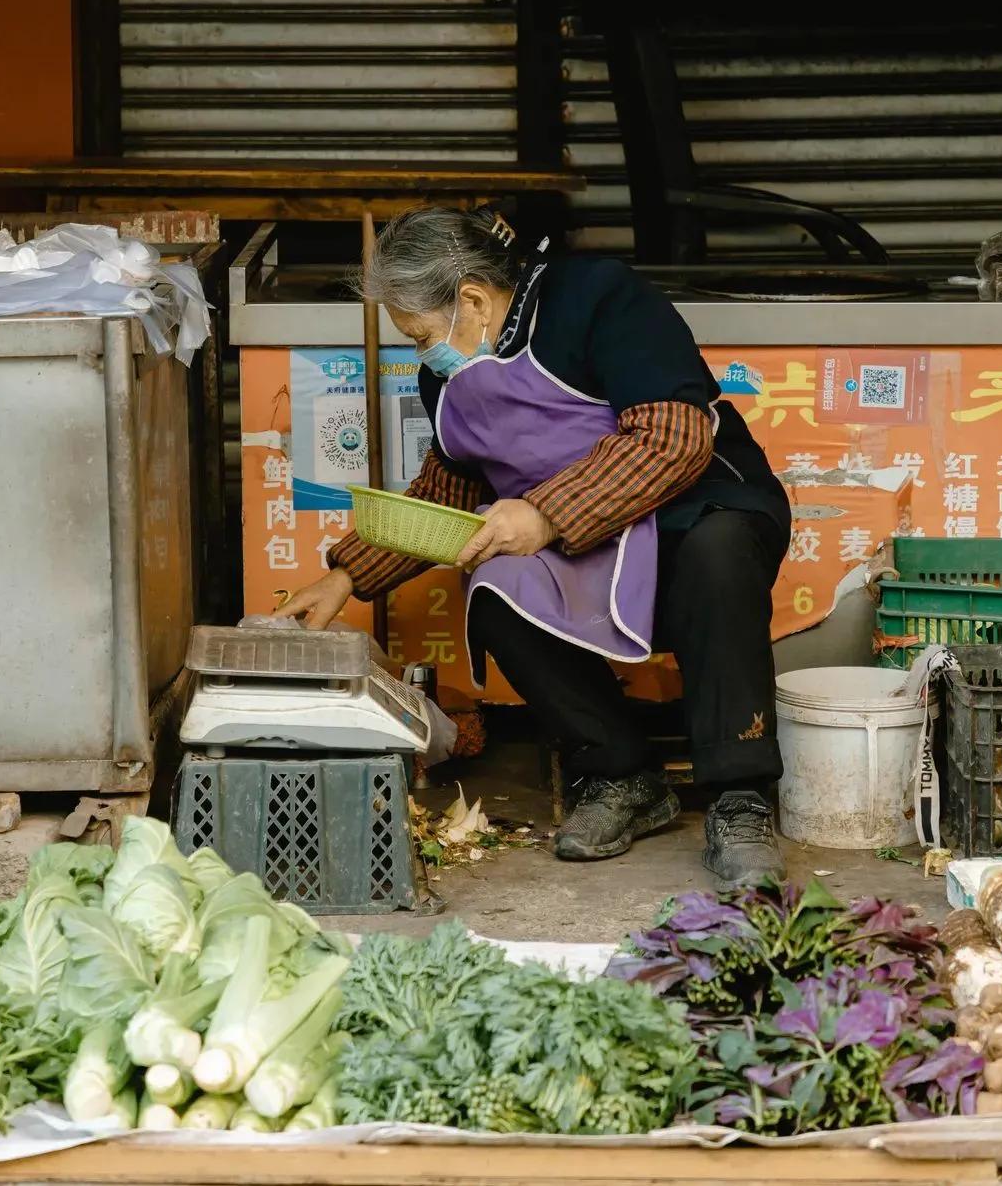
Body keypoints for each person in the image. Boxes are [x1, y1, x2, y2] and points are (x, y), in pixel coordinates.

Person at [277, 208, 792, 887]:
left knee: (719, 553)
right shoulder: (449, 377)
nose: (421, 354)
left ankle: (741, 795)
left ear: (471, 299)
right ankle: (620, 775)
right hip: (584, 550)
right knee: (494, 587)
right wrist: (347, 576)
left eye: (420, 336)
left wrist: (545, 515)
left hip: (689, 520)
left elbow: (673, 437)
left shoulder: (599, 300)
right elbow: (449, 490)